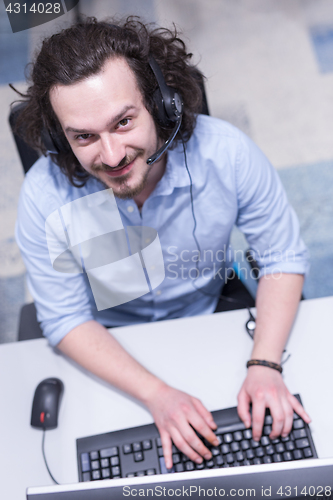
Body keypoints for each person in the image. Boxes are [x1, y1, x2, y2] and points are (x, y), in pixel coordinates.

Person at [14, 17, 310, 469]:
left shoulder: (226, 155)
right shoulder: (45, 195)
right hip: (110, 337)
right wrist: (158, 395)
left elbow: (282, 255)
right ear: (60, 137)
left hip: (209, 312)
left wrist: (265, 366)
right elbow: (65, 317)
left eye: (124, 121)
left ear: (161, 103)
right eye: (84, 136)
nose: (111, 157)